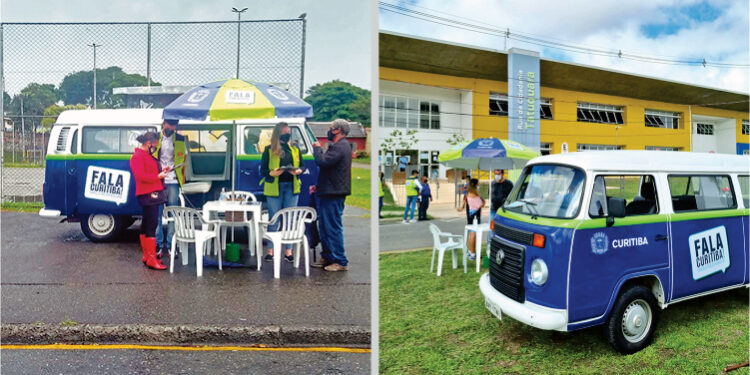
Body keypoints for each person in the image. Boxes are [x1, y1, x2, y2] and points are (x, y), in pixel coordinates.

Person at [310, 119, 352, 272]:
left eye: (331, 128)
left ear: (337, 130)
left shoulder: (340, 147)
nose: (329, 130)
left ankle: (340, 260)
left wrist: (317, 149)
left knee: (332, 227)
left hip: (334, 193)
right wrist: (318, 186)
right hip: (328, 190)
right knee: (325, 227)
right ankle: (328, 256)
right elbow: (331, 171)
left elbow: (322, 162)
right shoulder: (340, 147)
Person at [261, 122, 303, 263]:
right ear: (278, 133)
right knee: (274, 219)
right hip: (274, 187)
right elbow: (263, 171)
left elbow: (302, 166)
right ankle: (270, 251)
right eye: (285, 132)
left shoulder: (295, 148)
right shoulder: (268, 149)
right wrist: (273, 173)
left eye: (289, 132)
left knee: (290, 218)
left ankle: (288, 251)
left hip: (292, 186)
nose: (288, 134)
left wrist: (298, 171)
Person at [130, 131, 169, 270]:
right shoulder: (137, 157)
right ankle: (151, 258)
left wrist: (161, 172)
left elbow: (149, 172)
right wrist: (158, 176)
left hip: (150, 192)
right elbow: (140, 176)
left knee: (147, 223)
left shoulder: (144, 155)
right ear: (149, 143)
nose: (156, 147)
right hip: (148, 193)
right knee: (151, 224)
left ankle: (147, 255)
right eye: (156, 144)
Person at [154, 119, 188, 258]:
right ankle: (158, 245)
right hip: (158, 179)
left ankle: (170, 246)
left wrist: (183, 178)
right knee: (157, 214)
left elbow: (184, 159)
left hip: (173, 180)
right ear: (164, 124)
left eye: (174, 125)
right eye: (170, 124)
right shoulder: (155, 137)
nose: (172, 127)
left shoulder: (179, 138)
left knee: (173, 213)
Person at [457, 178, 485, 260]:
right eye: (478, 184)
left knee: (471, 234)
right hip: (475, 216)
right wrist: (483, 201)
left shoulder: (468, 193)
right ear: (476, 185)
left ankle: (470, 251)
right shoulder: (475, 194)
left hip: (470, 215)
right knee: (473, 234)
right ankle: (472, 254)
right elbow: (480, 205)